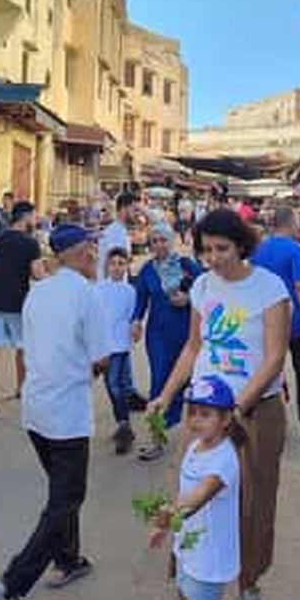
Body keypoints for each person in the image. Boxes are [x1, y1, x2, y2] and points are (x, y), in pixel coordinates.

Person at [149, 207, 291, 600]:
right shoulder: (203, 286)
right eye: (207, 249)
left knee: (253, 505)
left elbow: (274, 358)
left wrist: (237, 412)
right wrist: (168, 395)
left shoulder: (269, 288)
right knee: (192, 504)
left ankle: (249, 595)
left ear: (242, 245)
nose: (213, 258)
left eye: (222, 248)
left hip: (257, 413)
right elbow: (195, 346)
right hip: (203, 415)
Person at [0, 224, 108, 600]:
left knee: (61, 492)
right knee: (65, 501)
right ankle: (12, 584)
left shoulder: (38, 293)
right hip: (67, 413)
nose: (95, 255)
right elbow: (102, 357)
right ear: (79, 252)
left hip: (36, 410)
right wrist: (90, 370)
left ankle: (69, 558)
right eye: (91, 247)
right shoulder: (88, 296)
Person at [150, 375, 240, 600]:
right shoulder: (195, 447)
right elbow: (185, 490)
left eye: (206, 414)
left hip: (210, 556)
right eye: (193, 412)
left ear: (226, 419)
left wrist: (165, 514)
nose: (195, 420)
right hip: (190, 548)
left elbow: (198, 496)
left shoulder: (225, 459)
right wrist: (167, 527)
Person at [253, 205, 300, 439]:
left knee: (266, 372)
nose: (299, 226)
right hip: (294, 322)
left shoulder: (259, 249)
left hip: (266, 320)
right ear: (290, 223)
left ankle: (262, 424)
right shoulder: (296, 250)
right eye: (297, 221)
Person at [132, 222, 202, 461]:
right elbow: (140, 301)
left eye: (163, 240)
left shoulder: (187, 266)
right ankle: (156, 439)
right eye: (154, 241)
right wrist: (135, 321)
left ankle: (199, 440)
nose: (159, 245)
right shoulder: (147, 271)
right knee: (160, 385)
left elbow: (208, 289)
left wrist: (189, 298)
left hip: (188, 335)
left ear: (172, 241)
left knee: (193, 386)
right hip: (158, 337)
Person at [0, 201, 42, 420]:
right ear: (26, 217)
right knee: (23, 348)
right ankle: (22, 389)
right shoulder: (31, 244)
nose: (35, 220)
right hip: (19, 305)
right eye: (33, 216)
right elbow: (37, 274)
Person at [97, 191, 146, 410]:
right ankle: (122, 400)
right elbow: (110, 267)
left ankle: (129, 391)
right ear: (124, 208)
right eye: (135, 209)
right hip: (112, 295)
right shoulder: (114, 234)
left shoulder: (120, 232)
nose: (137, 214)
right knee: (116, 347)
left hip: (121, 292)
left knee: (123, 345)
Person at [96, 247, 138, 455]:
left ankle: (124, 426)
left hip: (121, 345)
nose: (117, 267)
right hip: (104, 345)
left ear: (127, 266)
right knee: (114, 385)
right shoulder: (99, 289)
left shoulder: (130, 291)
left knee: (114, 385)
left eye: (121, 263)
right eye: (113, 263)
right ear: (107, 266)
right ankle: (123, 424)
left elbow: (133, 317)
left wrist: (135, 330)